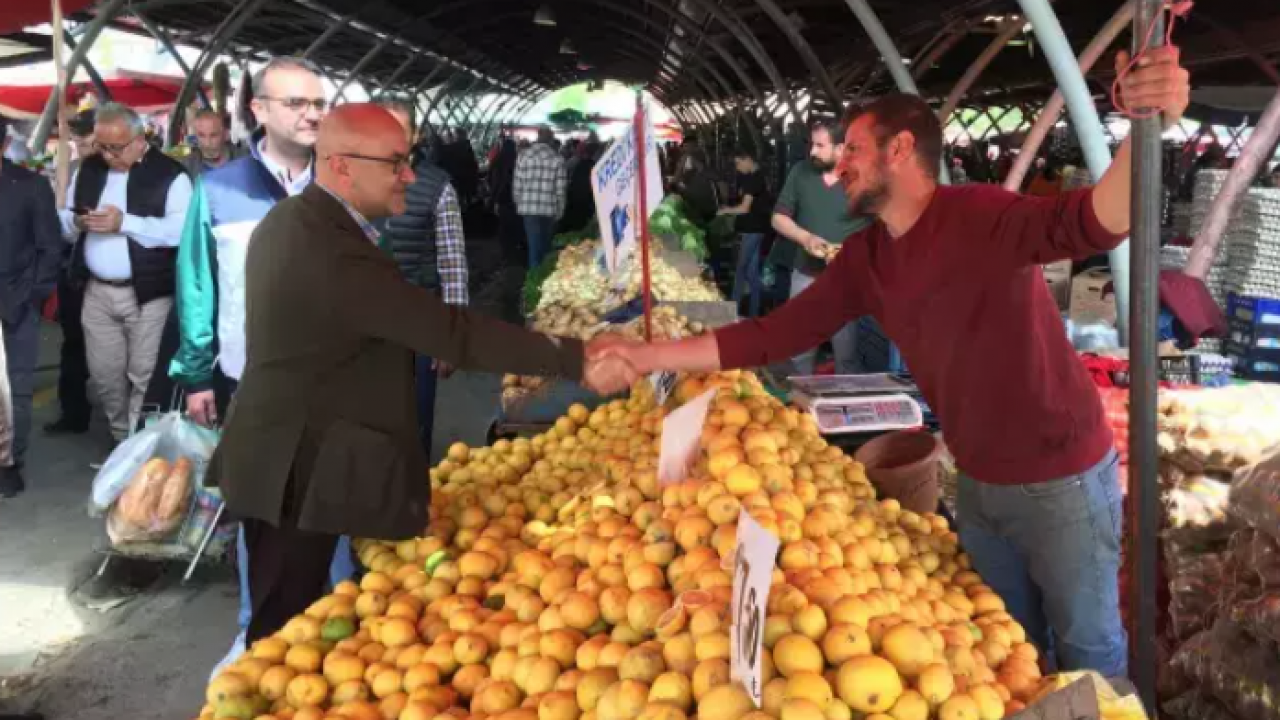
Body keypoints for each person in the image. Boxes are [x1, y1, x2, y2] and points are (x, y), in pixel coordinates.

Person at [589, 47, 1191, 678]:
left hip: (1060, 478)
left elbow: (1100, 219)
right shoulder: (867, 258)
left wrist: (1150, 119)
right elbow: (770, 335)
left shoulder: (982, 215)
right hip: (980, 483)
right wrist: (647, 353)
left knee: (1091, 654)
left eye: (852, 149)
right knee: (1012, 656)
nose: (836, 166)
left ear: (900, 149)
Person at [212, 104, 632, 641]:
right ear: (342, 166)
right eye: (395, 163)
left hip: (306, 451)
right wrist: (577, 359)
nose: (410, 175)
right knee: (282, 629)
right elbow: (449, 331)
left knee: (311, 616)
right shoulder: (327, 248)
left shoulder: (303, 222)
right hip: (294, 463)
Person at [165, 56, 355, 676]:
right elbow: (198, 283)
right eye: (296, 103)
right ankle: (258, 631)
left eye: (317, 103)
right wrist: (196, 373)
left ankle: (346, 621)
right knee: (261, 514)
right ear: (260, 111)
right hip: (251, 382)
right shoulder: (219, 191)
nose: (311, 114)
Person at [57, 102, 191, 445]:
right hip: (97, 290)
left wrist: (125, 223)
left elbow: (181, 231)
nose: (107, 155)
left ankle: (136, 448)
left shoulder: (171, 175)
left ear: (139, 139)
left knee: (144, 374)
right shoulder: (89, 170)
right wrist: (76, 221)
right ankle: (121, 437)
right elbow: (66, 222)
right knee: (104, 375)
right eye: (101, 146)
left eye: (115, 147)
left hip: (149, 292)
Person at [376, 99, 470, 460]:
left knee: (416, 416)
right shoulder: (350, 179)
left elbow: (453, 262)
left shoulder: (436, 186)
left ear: (414, 135)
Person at [772, 117, 869, 376]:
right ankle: (801, 410)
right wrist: (806, 239)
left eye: (819, 145)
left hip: (846, 282)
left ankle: (844, 408)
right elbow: (778, 217)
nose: (812, 151)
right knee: (799, 351)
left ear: (840, 149)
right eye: (811, 144)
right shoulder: (801, 173)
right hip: (804, 276)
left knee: (846, 354)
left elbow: (886, 230)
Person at [0, 119, 63, 499]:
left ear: (5, 144)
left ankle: (9, 463)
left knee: (17, 389)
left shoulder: (30, 186)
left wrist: (32, 295)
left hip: (15, 300)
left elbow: (50, 247)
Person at [45, 111, 97, 437]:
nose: (83, 148)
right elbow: (63, 227)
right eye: (78, 142)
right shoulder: (75, 173)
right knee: (74, 345)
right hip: (76, 272)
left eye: (88, 142)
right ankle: (74, 413)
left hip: (115, 278)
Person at [718, 147, 771, 318]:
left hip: (752, 230)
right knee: (752, 273)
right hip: (758, 229)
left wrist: (726, 211)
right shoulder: (758, 175)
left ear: (747, 158)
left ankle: (732, 311)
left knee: (740, 270)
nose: (737, 168)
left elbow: (744, 208)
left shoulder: (753, 180)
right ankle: (755, 313)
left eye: (738, 163)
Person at [513, 127, 567, 267]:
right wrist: (560, 211)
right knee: (545, 246)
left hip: (529, 210)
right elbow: (560, 189)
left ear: (537, 137)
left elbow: (517, 185)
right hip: (549, 209)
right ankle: (544, 278)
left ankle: (534, 278)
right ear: (550, 139)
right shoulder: (557, 159)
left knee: (534, 246)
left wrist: (519, 203)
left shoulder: (523, 156)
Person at [489, 136, 525, 264]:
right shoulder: (519, 160)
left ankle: (506, 253)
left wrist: (494, 199)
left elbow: (492, 180)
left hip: (502, 199)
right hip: (517, 199)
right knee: (517, 224)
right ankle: (517, 250)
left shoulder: (497, 160)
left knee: (504, 227)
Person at [183, 109, 243, 178]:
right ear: (195, 135)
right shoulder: (188, 166)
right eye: (201, 135)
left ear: (226, 135)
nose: (207, 143)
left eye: (213, 135)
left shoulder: (244, 160)